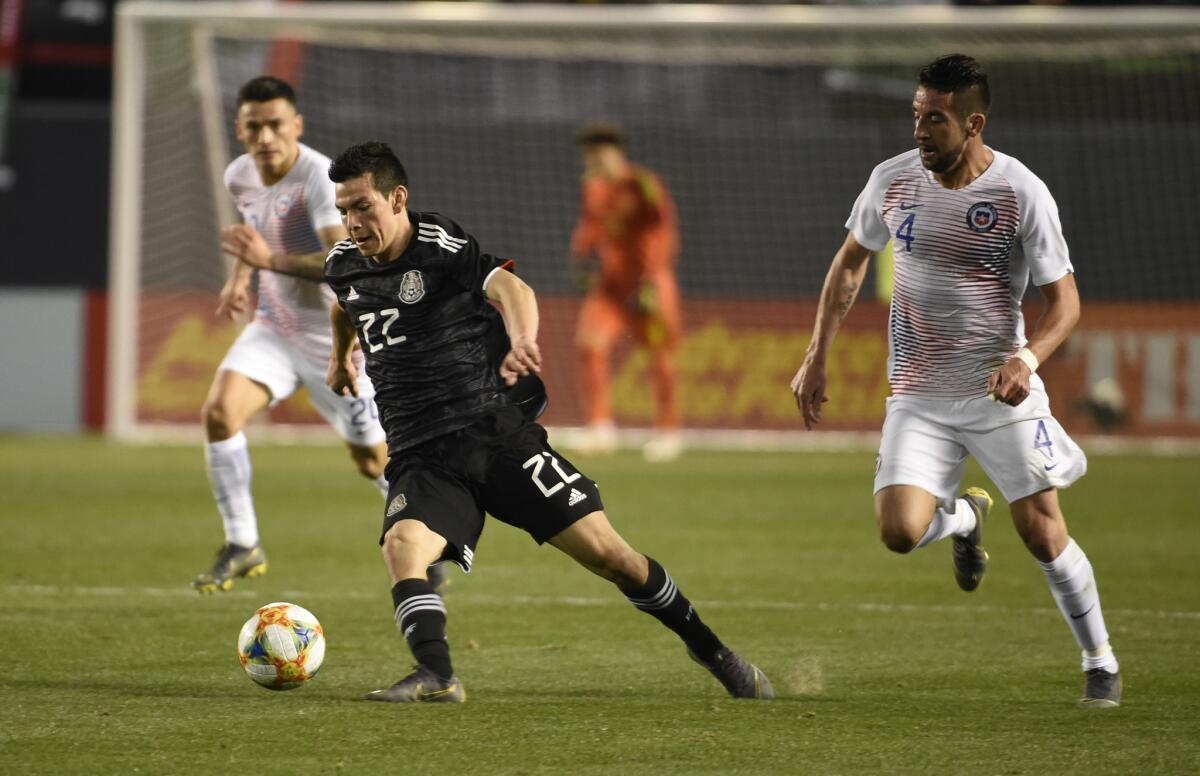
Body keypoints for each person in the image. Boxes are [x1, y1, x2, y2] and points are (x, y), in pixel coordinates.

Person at [323, 140, 771, 703]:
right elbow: (345, 304)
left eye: (362, 206)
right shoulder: (342, 264)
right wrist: (341, 358)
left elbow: (512, 288)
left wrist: (525, 340)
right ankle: (437, 675)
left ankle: (714, 653)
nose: (352, 222)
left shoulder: (438, 243)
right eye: (343, 210)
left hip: (491, 435)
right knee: (402, 546)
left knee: (616, 559)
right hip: (419, 453)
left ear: (397, 198)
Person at [789, 54, 1121, 709]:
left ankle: (1100, 661)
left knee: (1043, 534)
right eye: (916, 115)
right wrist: (816, 354)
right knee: (898, 532)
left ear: (973, 122)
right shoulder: (891, 180)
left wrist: (1027, 361)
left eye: (934, 119)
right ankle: (966, 517)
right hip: (917, 392)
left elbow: (1067, 304)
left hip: (1000, 390)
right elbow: (850, 263)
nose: (919, 130)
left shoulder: (1020, 191)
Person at [192, 76, 389, 593]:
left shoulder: (320, 178)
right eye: (254, 126)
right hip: (275, 329)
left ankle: (429, 534)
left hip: (335, 340)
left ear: (296, 125)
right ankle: (242, 544)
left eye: (276, 124)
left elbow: (343, 261)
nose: (265, 137)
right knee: (218, 413)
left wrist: (265, 262)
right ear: (239, 129)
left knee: (371, 459)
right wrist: (241, 277)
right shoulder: (240, 175)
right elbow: (255, 235)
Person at [569, 123, 683, 462]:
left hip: (649, 284)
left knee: (660, 355)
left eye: (597, 156)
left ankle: (668, 431)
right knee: (589, 344)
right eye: (588, 157)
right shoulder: (592, 187)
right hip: (611, 286)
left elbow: (663, 232)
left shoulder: (643, 185)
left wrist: (651, 279)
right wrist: (580, 257)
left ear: (615, 154)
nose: (592, 163)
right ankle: (600, 428)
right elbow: (591, 225)